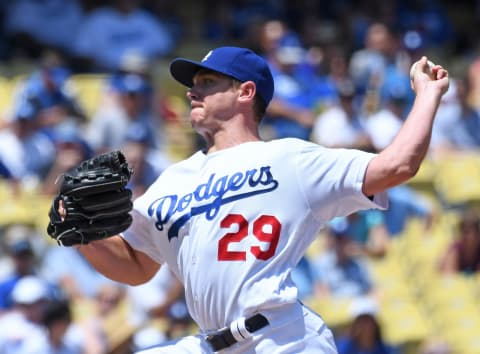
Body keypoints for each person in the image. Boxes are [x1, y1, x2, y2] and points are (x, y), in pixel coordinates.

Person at [54, 47, 449, 353]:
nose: (192, 90)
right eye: (195, 83)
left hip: (283, 339)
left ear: (245, 92)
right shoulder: (172, 181)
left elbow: (398, 165)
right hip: (210, 342)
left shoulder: (290, 159)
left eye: (208, 82)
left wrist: (428, 95)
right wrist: (82, 232)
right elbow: (137, 267)